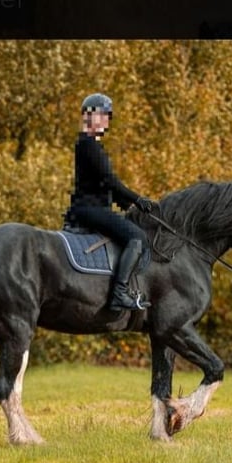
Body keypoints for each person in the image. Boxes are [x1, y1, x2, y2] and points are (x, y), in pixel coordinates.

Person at [64, 93, 155, 311]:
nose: (105, 120)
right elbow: (109, 180)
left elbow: (101, 184)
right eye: (101, 115)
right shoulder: (88, 144)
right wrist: (137, 198)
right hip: (89, 209)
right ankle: (119, 294)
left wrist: (124, 202)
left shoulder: (92, 145)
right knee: (137, 237)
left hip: (93, 206)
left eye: (107, 116)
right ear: (88, 115)